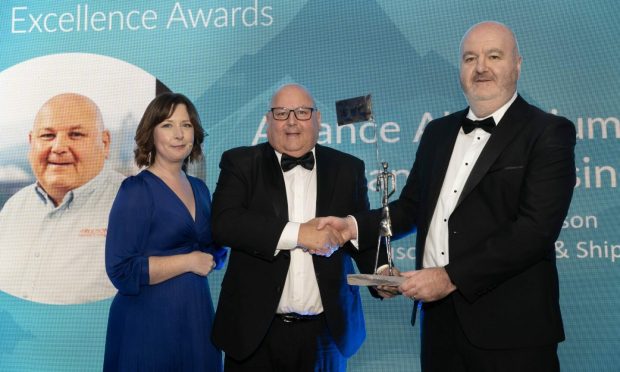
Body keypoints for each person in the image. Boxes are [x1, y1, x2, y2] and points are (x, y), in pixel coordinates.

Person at [320, 21, 576, 372]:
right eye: (470, 58)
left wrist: (449, 276)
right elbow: (411, 207)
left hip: (513, 333)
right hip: (439, 327)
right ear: (460, 70)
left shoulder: (547, 132)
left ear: (517, 64)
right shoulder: (438, 133)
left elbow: (534, 231)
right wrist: (353, 227)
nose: (481, 67)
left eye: (494, 56)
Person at [210, 84, 393, 372]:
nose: (292, 121)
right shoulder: (241, 163)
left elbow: (362, 235)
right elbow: (224, 224)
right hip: (253, 334)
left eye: (302, 112)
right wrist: (298, 233)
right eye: (281, 113)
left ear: (318, 120)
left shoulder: (347, 169)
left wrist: (382, 274)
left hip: (326, 335)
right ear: (268, 121)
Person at [103, 92, 226, 371]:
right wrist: (188, 261)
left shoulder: (200, 189)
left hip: (196, 318)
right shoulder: (136, 190)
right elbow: (121, 270)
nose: (179, 134)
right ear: (152, 133)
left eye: (186, 125)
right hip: (147, 324)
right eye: (168, 125)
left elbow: (212, 251)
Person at [0, 93, 123, 304]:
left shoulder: (140, 204)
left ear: (105, 143)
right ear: (31, 142)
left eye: (75, 134)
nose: (58, 147)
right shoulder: (14, 208)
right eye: (47, 136)